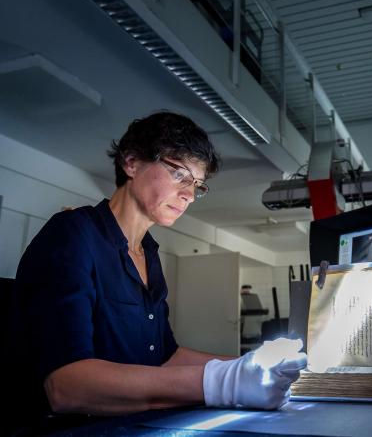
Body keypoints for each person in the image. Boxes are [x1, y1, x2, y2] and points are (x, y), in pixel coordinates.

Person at [7, 112, 306, 430]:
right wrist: (220, 382)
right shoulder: (73, 235)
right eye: (179, 174)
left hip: (136, 423)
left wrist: (253, 364)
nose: (190, 195)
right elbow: (66, 387)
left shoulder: (149, 253)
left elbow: (165, 355)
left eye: (197, 186)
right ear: (132, 162)